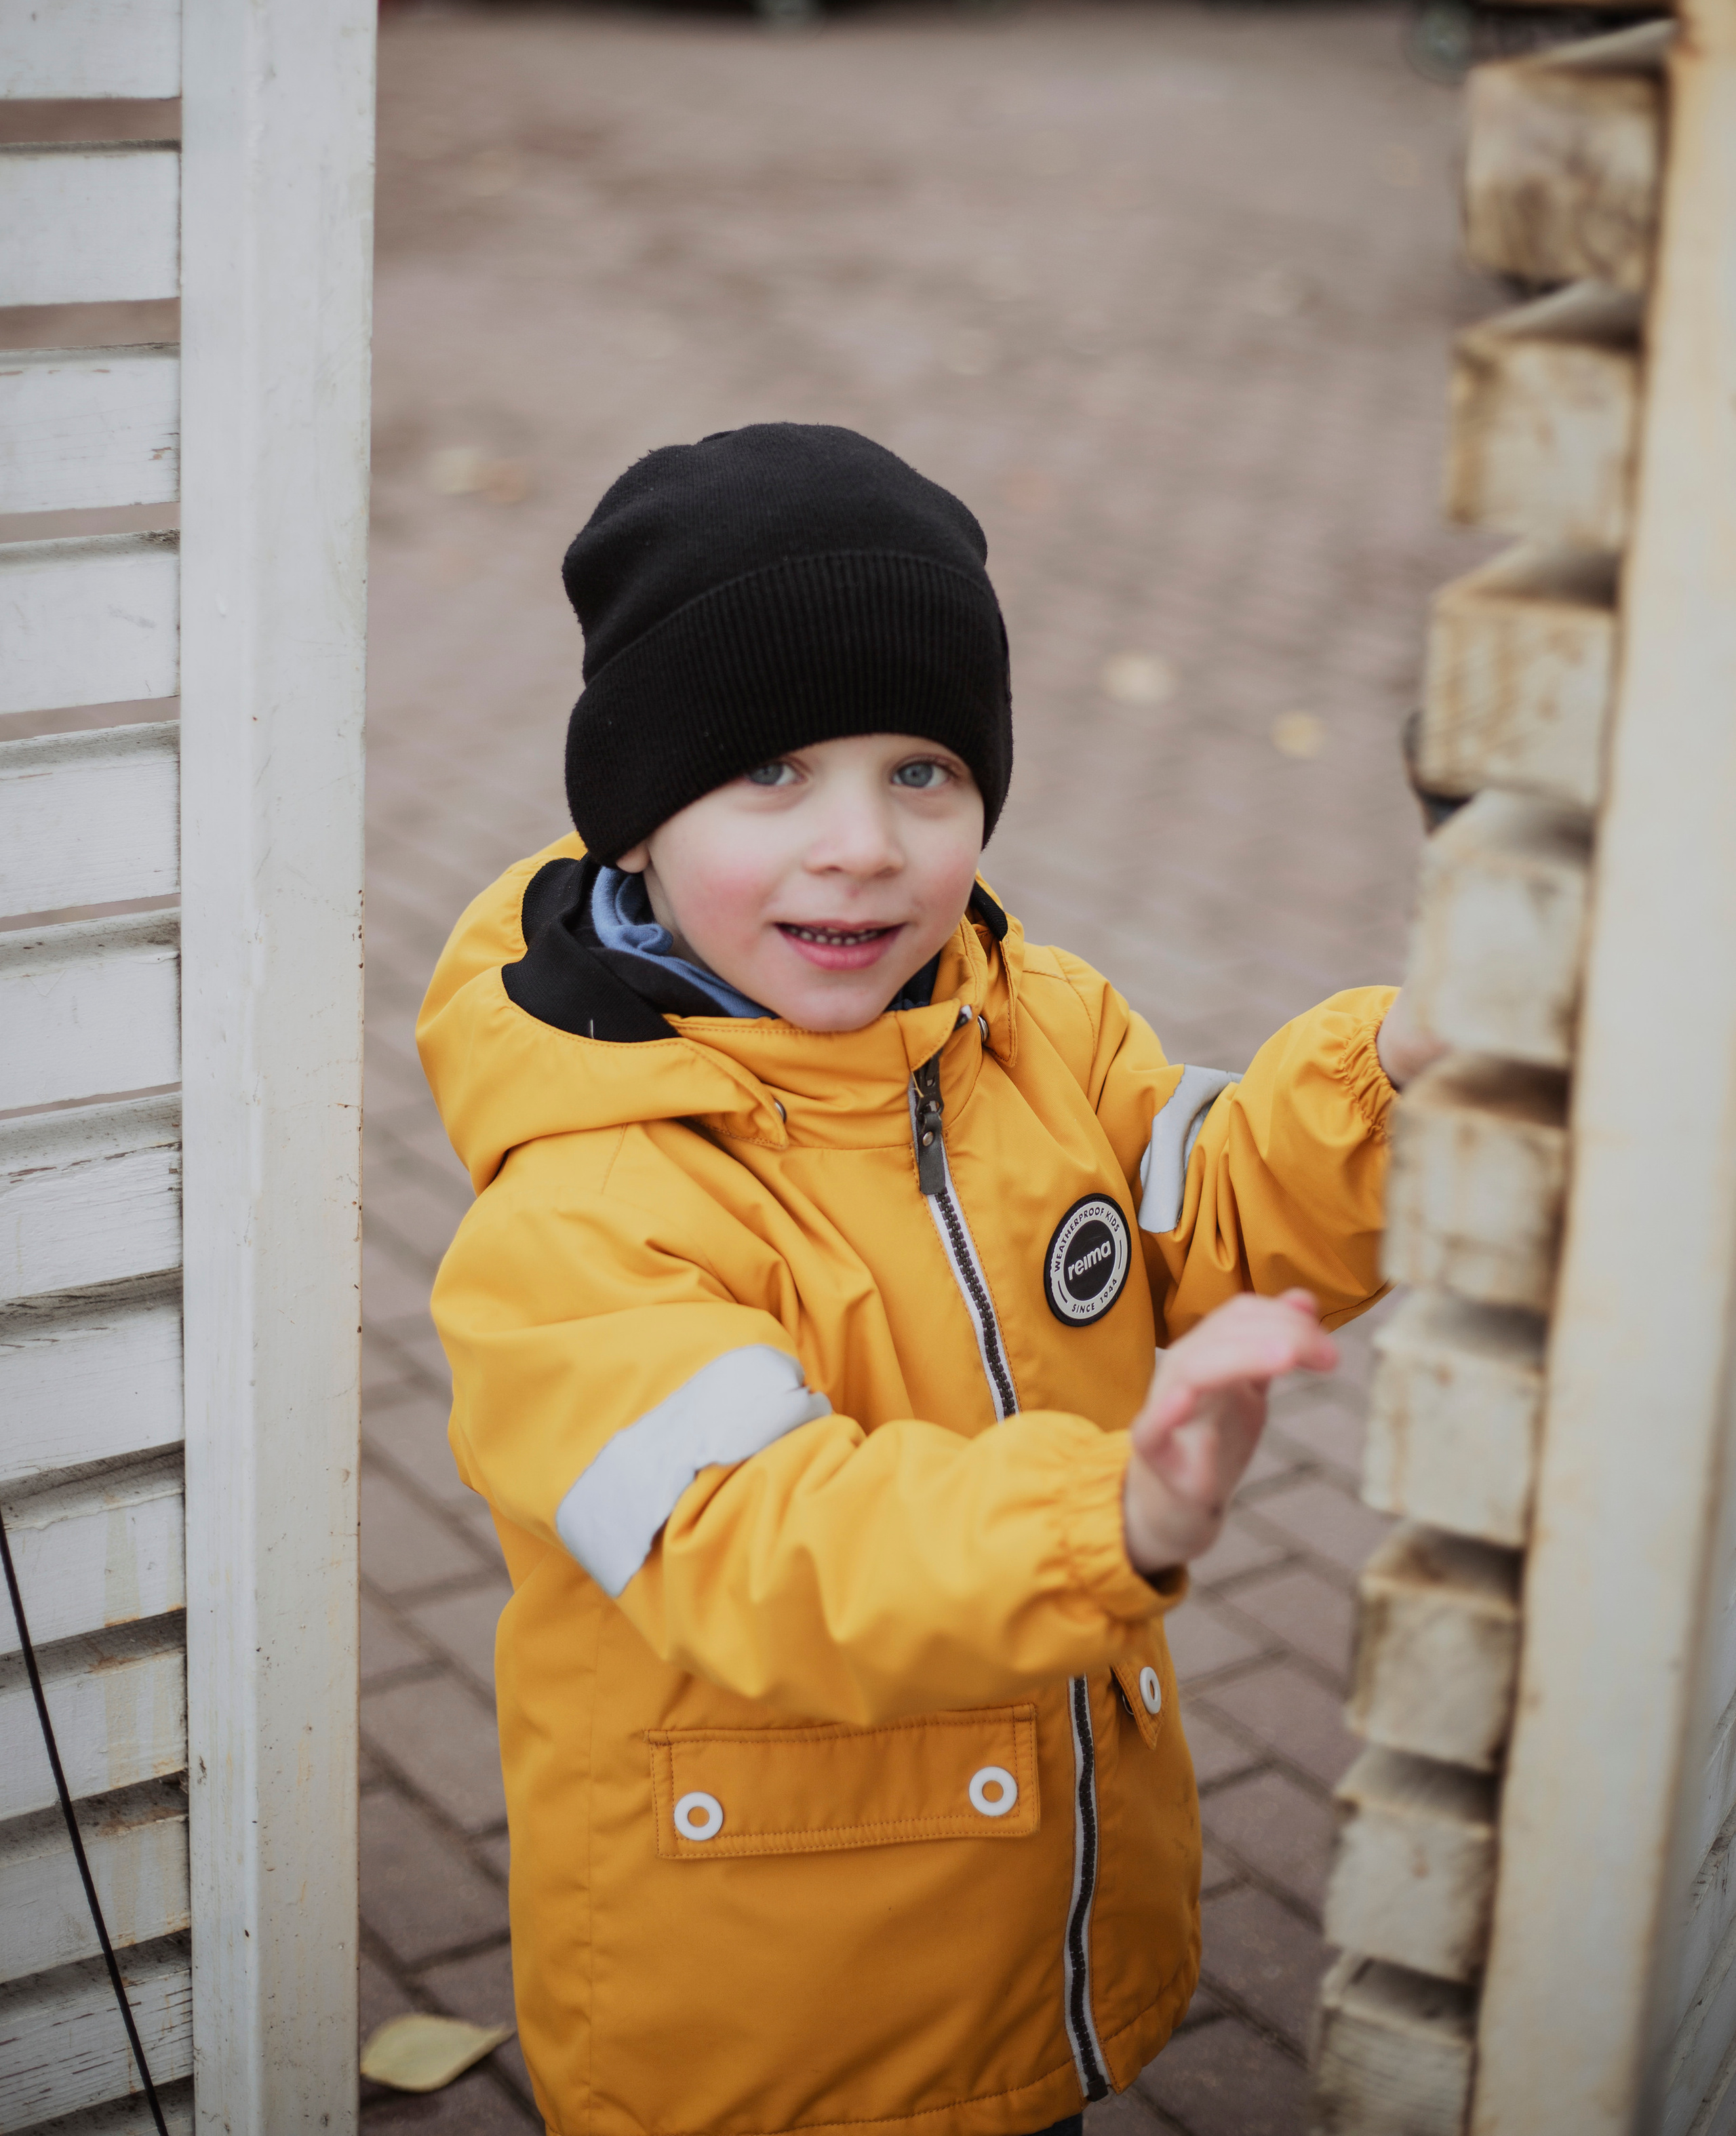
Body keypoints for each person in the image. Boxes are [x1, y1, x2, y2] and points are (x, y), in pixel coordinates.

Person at [418, 422, 1432, 2136]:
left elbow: (1203, 1222)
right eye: (771, 775)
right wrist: (1102, 1526)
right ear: (637, 816)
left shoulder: (1031, 1026)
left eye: (920, 773)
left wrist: (1400, 1066)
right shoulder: (582, 1209)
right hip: (771, 2026)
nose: (861, 847)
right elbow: (759, 1546)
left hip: (1020, 1935)